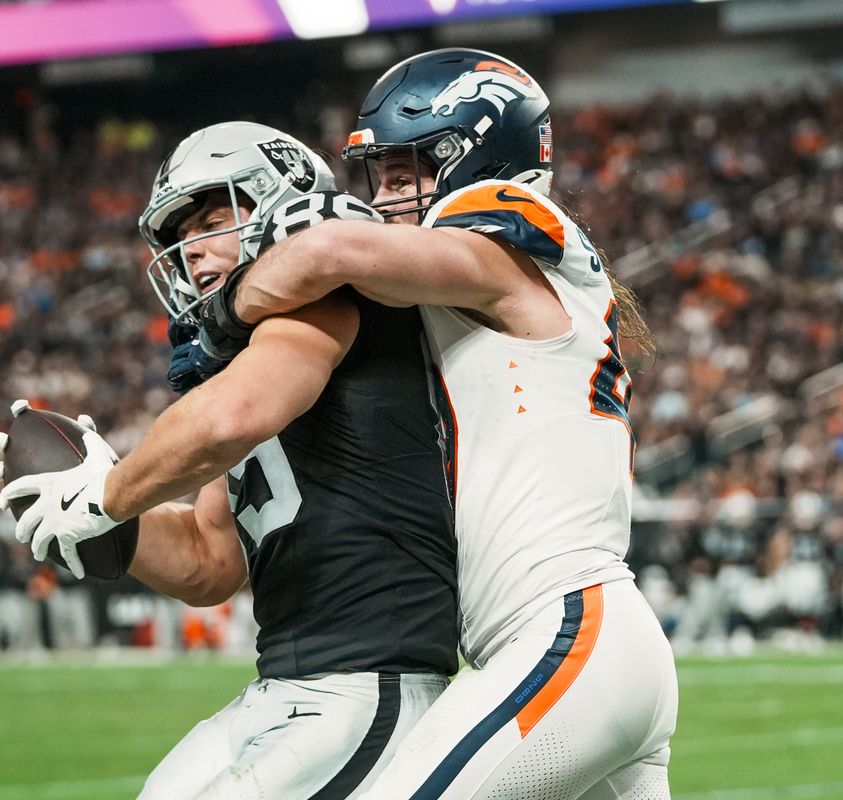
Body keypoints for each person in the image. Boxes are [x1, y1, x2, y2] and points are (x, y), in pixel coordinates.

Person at [190, 49, 679, 799]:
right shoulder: (478, 301)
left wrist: (227, 311)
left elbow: (331, 249)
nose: (382, 199)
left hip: (565, 633)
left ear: (473, 153)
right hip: (584, 643)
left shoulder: (513, 230)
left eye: (399, 174)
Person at [0, 121, 459, 799]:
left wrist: (106, 492)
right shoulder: (236, 361)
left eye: (214, 219)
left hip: (373, 680)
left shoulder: (329, 298)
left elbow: (233, 418)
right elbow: (210, 559)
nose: (193, 251)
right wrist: (90, 519)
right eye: (181, 236)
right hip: (287, 685)